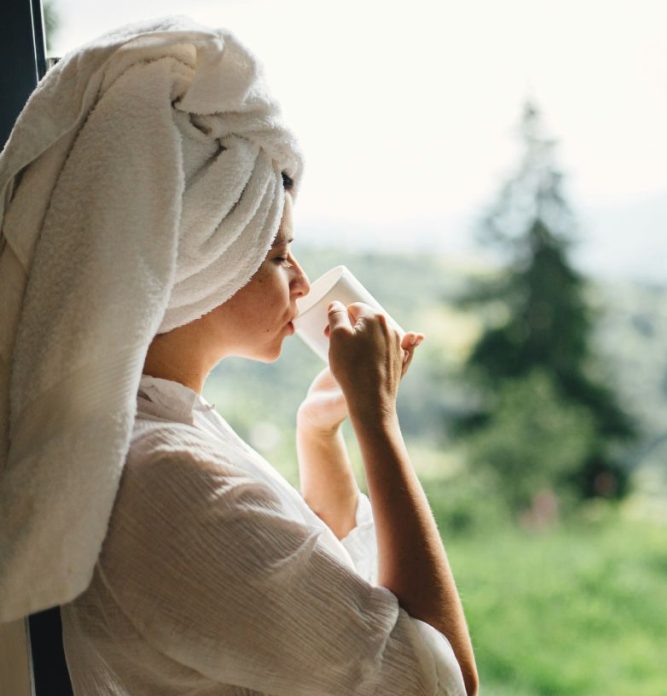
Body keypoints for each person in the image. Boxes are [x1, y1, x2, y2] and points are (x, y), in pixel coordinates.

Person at [0, 16, 478, 696]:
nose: (304, 283)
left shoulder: (161, 429)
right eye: (279, 255)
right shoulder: (166, 478)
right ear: (200, 262)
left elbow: (324, 612)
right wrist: (380, 427)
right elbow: (440, 680)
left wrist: (321, 439)